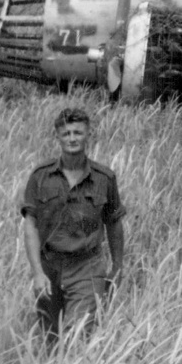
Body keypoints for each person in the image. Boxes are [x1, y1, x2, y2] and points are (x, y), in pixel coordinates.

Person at [19, 107, 127, 344]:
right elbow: (30, 226)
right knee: (50, 338)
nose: (72, 138)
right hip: (49, 266)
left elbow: (114, 223)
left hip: (86, 267)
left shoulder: (104, 178)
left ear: (88, 134)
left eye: (78, 132)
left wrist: (117, 266)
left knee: (76, 337)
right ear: (57, 136)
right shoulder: (41, 176)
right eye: (66, 133)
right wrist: (37, 272)